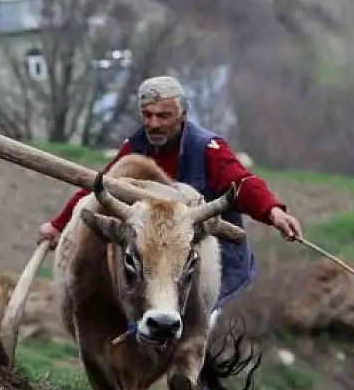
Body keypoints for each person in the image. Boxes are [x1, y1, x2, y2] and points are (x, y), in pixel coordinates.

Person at [38, 75, 303, 320]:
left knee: (196, 332)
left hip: (206, 260)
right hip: (154, 265)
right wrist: (58, 225)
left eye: (163, 116)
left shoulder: (207, 148)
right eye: (148, 115)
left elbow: (241, 182)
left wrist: (273, 212)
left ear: (182, 115)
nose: (154, 124)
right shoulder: (135, 148)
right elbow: (98, 189)